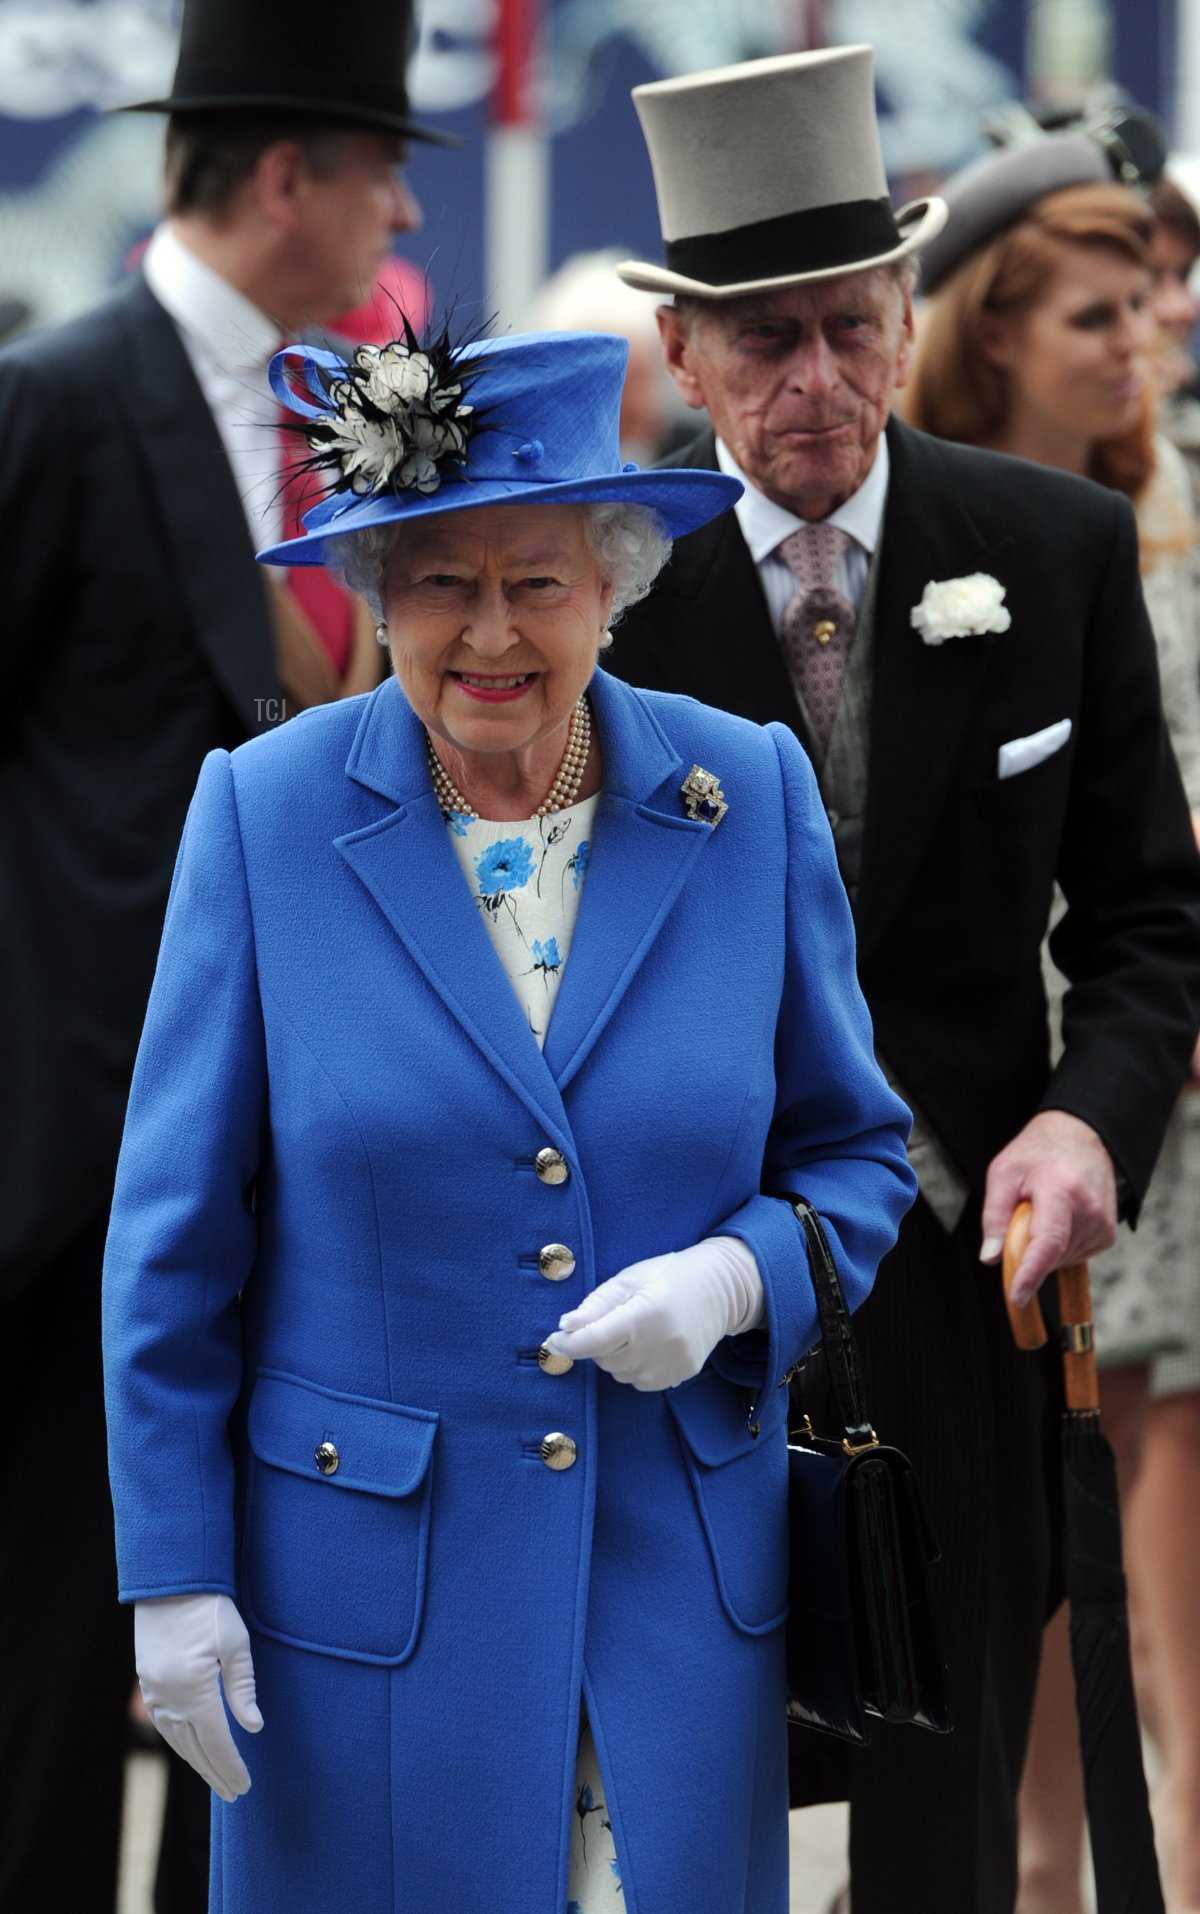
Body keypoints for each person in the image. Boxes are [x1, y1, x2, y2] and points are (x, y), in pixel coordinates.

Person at [100, 324, 916, 1914]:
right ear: (379, 597)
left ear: (612, 586)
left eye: (536, 579)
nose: (489, 632)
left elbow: (857, 1156)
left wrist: (740, 1280)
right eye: (437, 583)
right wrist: (174, 1571)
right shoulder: (264, 815)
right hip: (360, 1616)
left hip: (676, 1591)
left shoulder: (745, 795)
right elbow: (171, 1243)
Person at [606, 47, 1200, 1914]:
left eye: (851, 329)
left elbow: (1148, 927)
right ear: (686, 362)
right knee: (689, 1776)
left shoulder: (1055, 548)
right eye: (764, 342)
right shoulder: (593, 591)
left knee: (942, 1799)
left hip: (966, 1266)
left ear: (909, 312)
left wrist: (1088, 1121)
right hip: (678, 1267)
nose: (817, 384)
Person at [0, 2, 443, 1907]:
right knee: (38, 1653)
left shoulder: (365, 404)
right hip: (72, 1158)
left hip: (318, 1147)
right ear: (290, 179)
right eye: (381, 166)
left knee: (262, 1661)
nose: (404, 205)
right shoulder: (63, 389)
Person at [902, 136, 1200, 1913]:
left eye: (1159, 299)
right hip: (978, 1112)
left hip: (1144, 1089)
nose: (1148, 336)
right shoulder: (925, 531)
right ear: (990, 328)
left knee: (1150, 1543)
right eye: (1102, 305)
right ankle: (1035, 1877)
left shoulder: (1160, 522)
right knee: (1028, 1549)